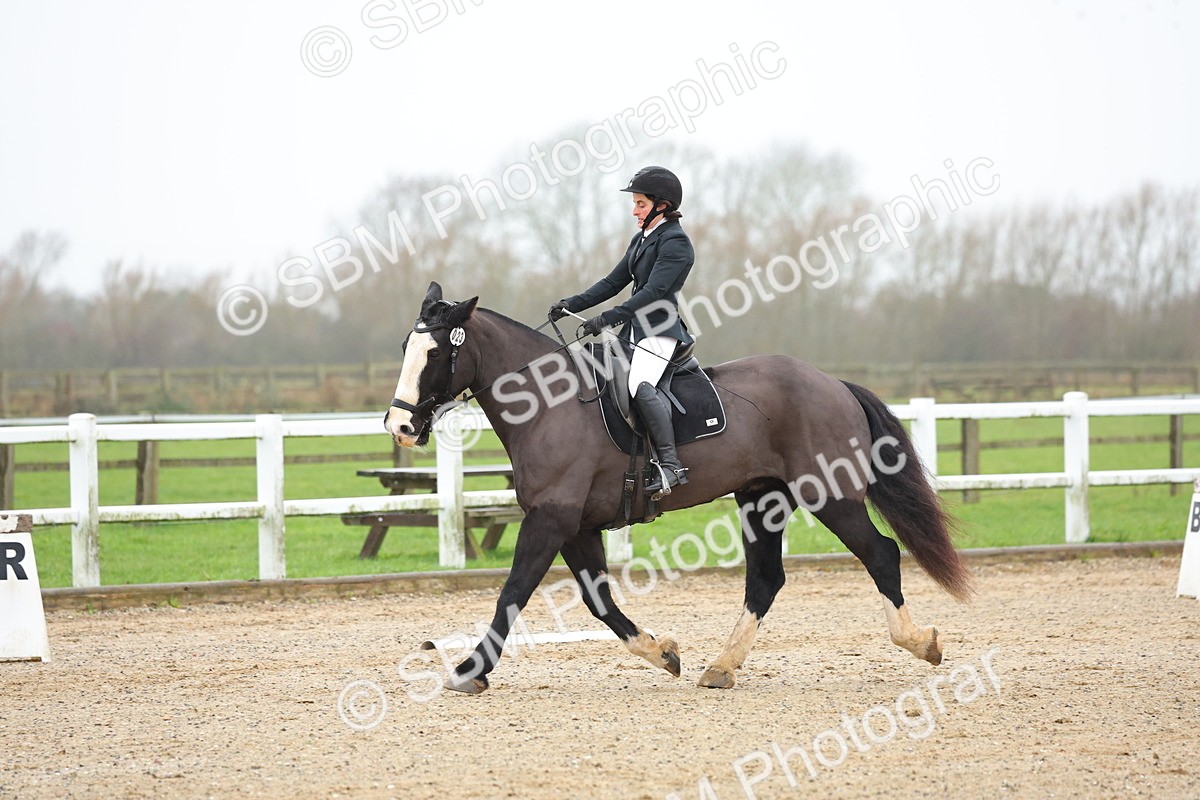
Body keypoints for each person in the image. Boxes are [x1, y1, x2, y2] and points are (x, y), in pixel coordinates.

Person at [548, 166, 695, 498]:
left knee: (639, 385)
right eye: (635, 204)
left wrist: (606, 319)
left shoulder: (676, 242)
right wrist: (571, 303)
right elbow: (613, 282)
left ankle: (671, 466)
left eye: (641, 204)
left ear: (662, 205)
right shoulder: (642, 239)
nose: (634, 211)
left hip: (659, 331)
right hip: (634, 332)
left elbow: (653, 292)